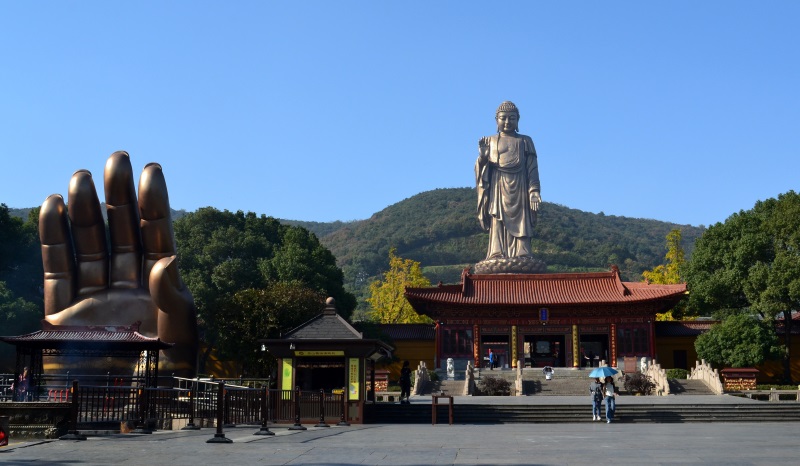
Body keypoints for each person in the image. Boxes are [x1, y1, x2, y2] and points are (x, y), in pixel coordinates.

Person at [475, 101, 541, 259]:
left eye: (512, 118)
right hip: (498, 186)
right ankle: (496, 253)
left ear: (518, 120)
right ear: (496, 120)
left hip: (520, 187)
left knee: (522, 220)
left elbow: (532, 169)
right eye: (503, 118)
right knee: (497, 219)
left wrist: (534, 191)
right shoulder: (490, 141)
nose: (507, 122)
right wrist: (483, 158)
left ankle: (523, 253)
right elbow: (481, 171)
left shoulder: (525, 141)